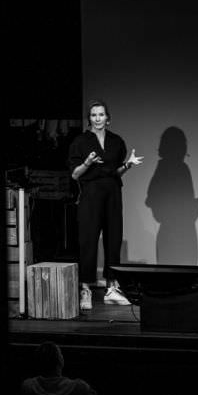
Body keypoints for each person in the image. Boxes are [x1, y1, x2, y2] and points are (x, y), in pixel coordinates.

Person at [68, 99, 144, 311]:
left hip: (112, 193)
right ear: (89, 119)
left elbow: (116, 172)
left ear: (108, 118)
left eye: (101, 115)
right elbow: (75, 175)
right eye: (93, 115)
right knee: (88, 241)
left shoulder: (117, 141)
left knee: (113, 238)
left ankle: (112, 288)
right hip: (90, 194)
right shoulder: (80, 142)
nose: (98, 118)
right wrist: (88, 162)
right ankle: (86, 289)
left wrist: (128, 164)